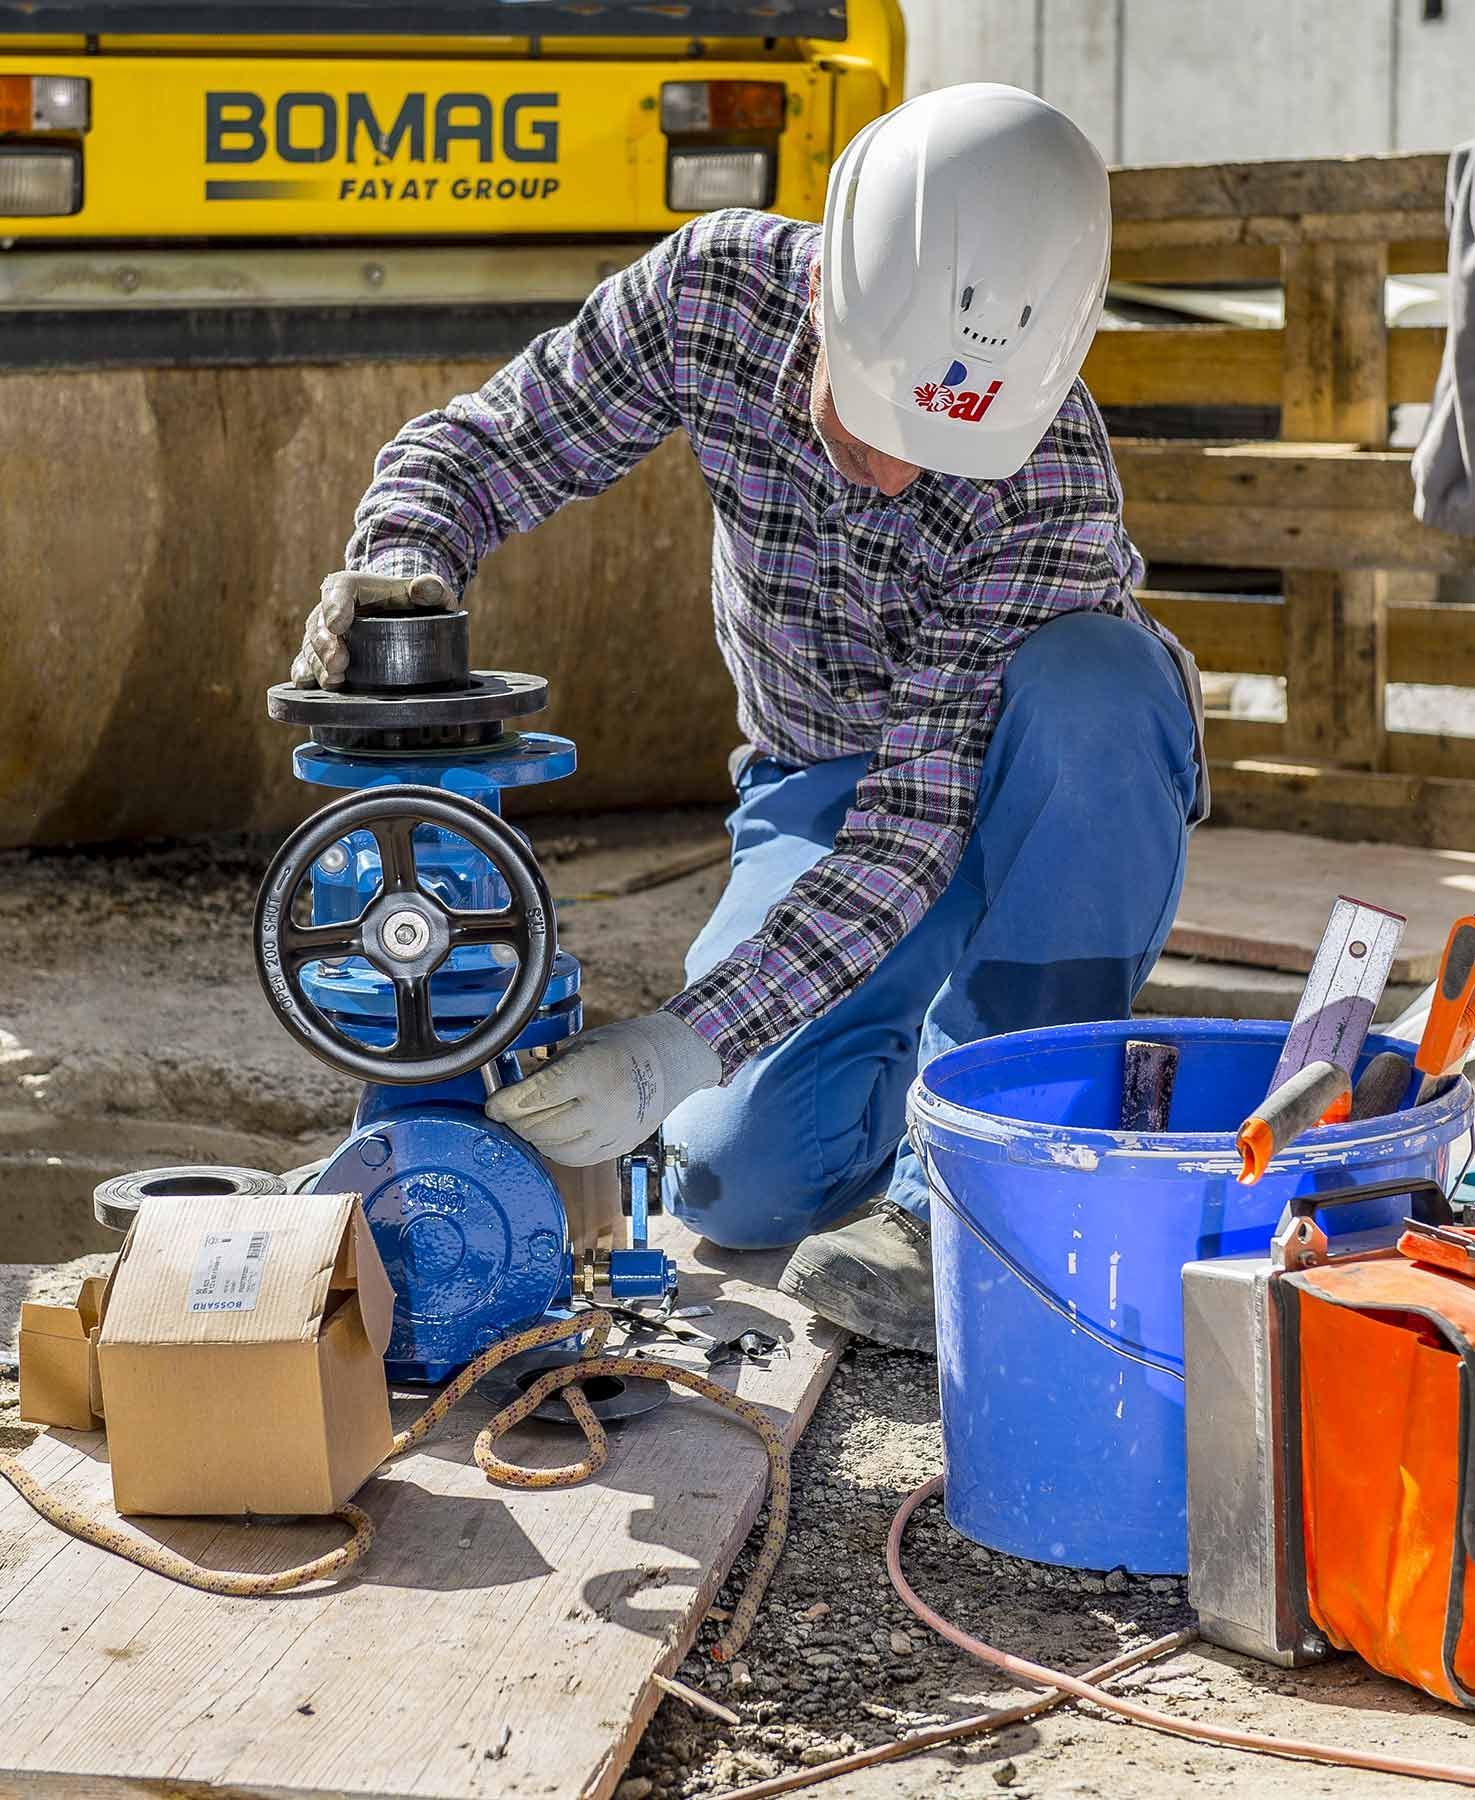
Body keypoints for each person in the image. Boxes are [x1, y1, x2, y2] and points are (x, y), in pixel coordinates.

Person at [292, 83, 1206, 1354]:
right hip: (822, 773)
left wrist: (677, 1043)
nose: (892, 473)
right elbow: (483, 447)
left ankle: (985, 1163)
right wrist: (407, 563)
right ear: (824, 288)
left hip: (1026, 785)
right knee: (735, 1179)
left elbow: (913, 836)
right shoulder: (713, 296)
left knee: (1094, 689)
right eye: (871, 420)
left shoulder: (1049, 481)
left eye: (937, 453)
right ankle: (941, 1055)